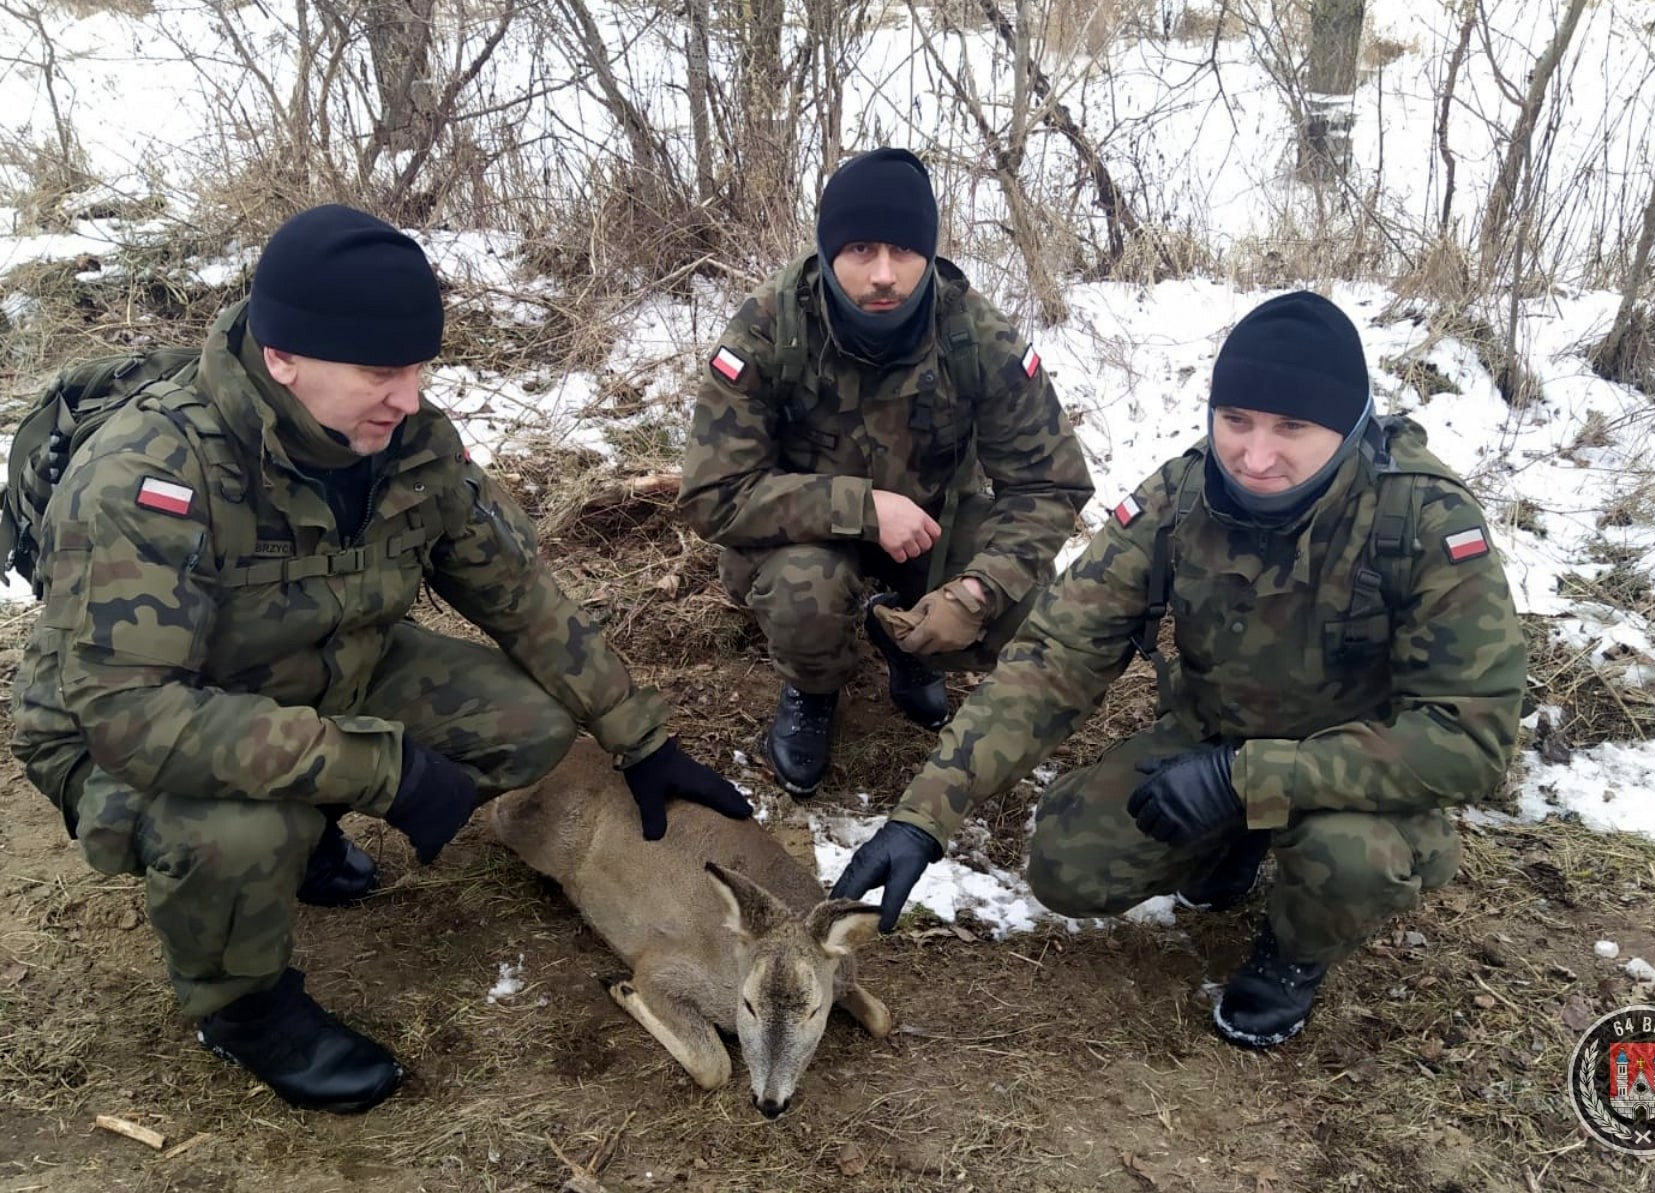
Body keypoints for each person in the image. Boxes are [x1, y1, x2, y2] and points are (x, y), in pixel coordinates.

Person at [9, 204, 752, 1113]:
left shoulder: (409, 441)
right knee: (246, 830)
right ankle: (242, 1006)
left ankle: (309, 831)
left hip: (325, 664)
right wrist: (382, 770)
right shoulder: (148, 472)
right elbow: (135, 716)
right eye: (379, 371)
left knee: (529, 725)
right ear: (282, 357)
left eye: (417, 368)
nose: (408, 396)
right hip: (130, 721)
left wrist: (641, 737)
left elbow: (518, 593)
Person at [832, 290, 1527, 1048]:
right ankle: (1237, 837)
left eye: (1292, 428)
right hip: (1210, 734)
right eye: (1236, 422)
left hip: (1358, 773)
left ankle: (1293, 954)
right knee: (1068, 864)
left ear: (1349, 424)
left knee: (1346, 859)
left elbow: (1469, 739)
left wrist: (1246, 779)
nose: (1255, 457)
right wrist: (925, 812)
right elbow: (1057, 652)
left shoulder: (1422, 520)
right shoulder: (1181, 494)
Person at [677, 147, 1093, 796]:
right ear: (826, 250)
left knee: (1023, 604)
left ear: (927, 255)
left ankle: (910, 645)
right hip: (803, 537)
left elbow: (1049, 483)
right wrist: (864, 510)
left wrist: (976, 590)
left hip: (930, 527)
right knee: (803, 590)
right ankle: (813, 687)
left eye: (902, 252)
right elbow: (712, 492)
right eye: (860, 249)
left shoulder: (975, 335)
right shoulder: (770, 327)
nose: (881, 274)